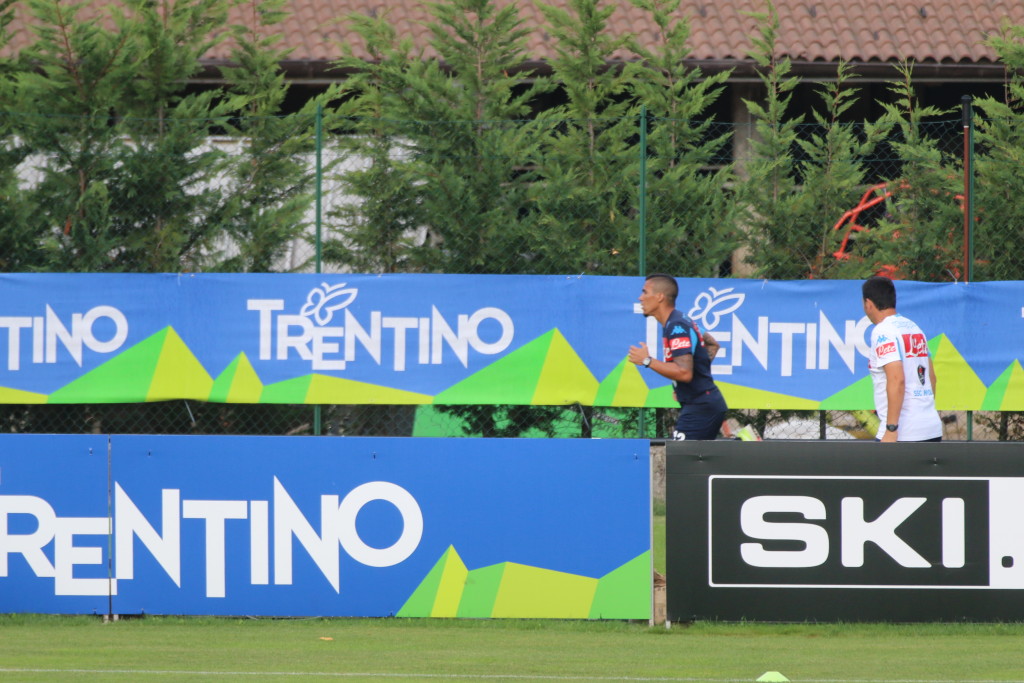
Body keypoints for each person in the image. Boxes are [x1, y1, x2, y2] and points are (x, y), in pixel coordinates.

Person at [628, 273, 727, 440]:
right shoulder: (679, 320)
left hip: (701, 407)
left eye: (645, 292)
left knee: (677, 463)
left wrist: (647, 360)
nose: (640, 298)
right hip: (703, 403)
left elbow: (684, 373)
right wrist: (684, 387)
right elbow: (712, 345)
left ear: (659, 297)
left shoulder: (676, 326)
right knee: (691, 464)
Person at [862, 275, 942, 442]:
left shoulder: (883, 331)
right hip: (931, 428)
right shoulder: (914, 327)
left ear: (868, 304)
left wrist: (891, 429)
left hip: (903, 433)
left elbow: (897, 379)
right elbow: (931, 378)